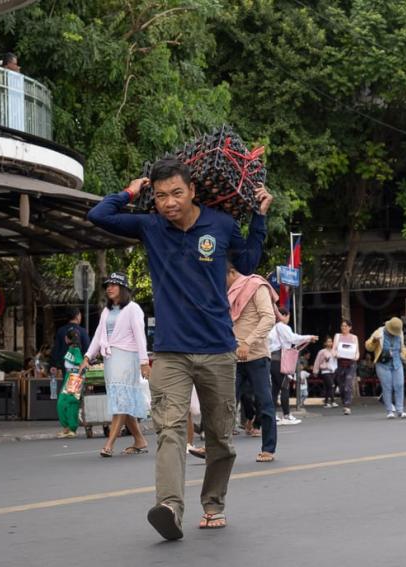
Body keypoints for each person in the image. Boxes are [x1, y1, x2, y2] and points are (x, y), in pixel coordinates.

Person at [87, 157, 272, 539]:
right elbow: (99, 214)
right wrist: (130, 191)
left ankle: (213, 503)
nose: (168, 202)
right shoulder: (150, 226)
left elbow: (250, 260)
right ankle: (169, 505)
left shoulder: (220, 225)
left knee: (220, 436)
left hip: (219, 349)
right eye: (160, 196)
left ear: (192, 191)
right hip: (170, 353)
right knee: (169, 429)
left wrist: (259, 218)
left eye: (176, 193)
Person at [79, 272, 150, 457]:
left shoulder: (133, 309)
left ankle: (109, 444)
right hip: (111, 359)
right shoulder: (107, 311)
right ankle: (140, 440)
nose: (109, 288)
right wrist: (87, 357)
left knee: (120, 400)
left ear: (123, 288)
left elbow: (140, 337)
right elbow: (98, 336)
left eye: (114, 285)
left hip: (127, 357)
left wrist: (144, 362)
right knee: (122, 400)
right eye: (107, 285)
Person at [227, 263, 279, 462]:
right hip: (232, 356)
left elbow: (268, 318)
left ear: (232, 271)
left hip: (256, 356)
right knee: (225, 403)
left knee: (264, 402)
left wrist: (248, 343)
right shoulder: (228, 293)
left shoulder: (257, 286)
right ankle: (215, 447)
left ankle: (268, 448)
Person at [268, 309, 317, 424]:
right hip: (281, 359)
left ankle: (273, 414)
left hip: (272, 359)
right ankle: (286, 415)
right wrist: (309, 337)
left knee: (275, 389)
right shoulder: (282, 326)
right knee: (284, 387)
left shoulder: (272, 328)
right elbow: (293, 338)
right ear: (284, 315)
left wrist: (307, 338)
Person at [365, 317, 406, 419]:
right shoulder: (379, 332)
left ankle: (400, 410)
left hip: (397, 362)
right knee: (387, 387)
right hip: (383, 363)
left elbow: (402, 347)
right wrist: (374, 341)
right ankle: (389, 411)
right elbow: (368, 347)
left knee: (399, 385)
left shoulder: (400, 333)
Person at [56, 329, 84, 438]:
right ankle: (69, 428)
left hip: (74, 377)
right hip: (73, 377)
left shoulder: (74, 350)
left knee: (66, 402)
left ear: (67, 339)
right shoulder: (73, 349)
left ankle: (69, 428)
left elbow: (79, 364)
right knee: (68, 402)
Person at [50, 308, 91, 382]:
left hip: (64, 367)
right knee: (77, 388)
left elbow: (56, 349)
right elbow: (88, 349)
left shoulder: (61, 331)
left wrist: (54, 364)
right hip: (80, 366)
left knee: (66, 386)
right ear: (77, 316)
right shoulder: (83, 331)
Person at [332, 319, 361, 415]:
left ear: (350, 327)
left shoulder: (354, 337)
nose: (343, 328)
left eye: (345, 326)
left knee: (348, 384)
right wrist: (336, 354)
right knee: (341, 386)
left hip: (351, 363)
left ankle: (347, 406)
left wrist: (355, 357)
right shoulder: (337, 336)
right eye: (342, 326)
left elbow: (357, 351)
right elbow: (334, 350)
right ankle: (344, 402)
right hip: (340, 362)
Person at [313, 337, 338, 408]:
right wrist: (315, 371)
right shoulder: (322, 351)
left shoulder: (335, 351)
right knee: (331, 385)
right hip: (325, 370)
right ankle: (332, 401)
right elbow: (317, 361)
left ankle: (326, 402)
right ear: (325, 343)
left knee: (328, 387)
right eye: (328, 342)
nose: (330, 343)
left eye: (331, 341)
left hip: (333, 370)